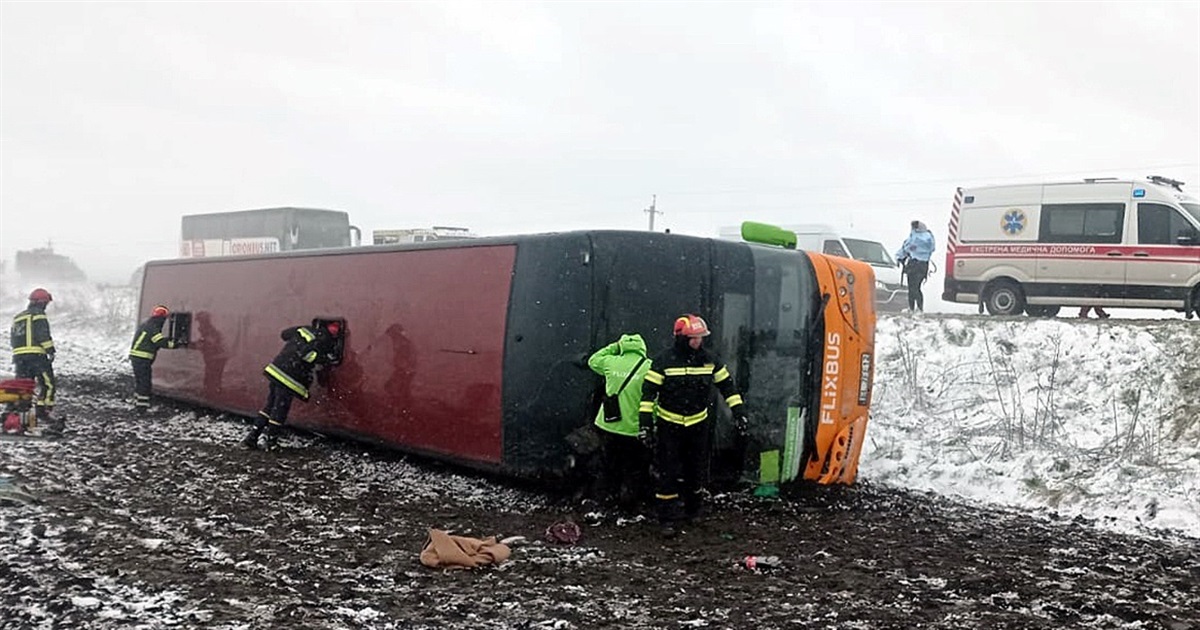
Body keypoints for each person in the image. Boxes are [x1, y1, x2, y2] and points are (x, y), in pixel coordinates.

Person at [639, 314, 748, 538]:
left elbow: (727, 387)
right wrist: (646, 426)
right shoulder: (663, 361)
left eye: (701, 337)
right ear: (680, 338)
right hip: (670, 426)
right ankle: (667, 519)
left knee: (695, 470)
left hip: (698, 425)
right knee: (668, 473)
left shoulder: (710, 360)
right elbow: (648, 396)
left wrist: (739, 413)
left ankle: (693, 512)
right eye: (693, 338)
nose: (698, 342)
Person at [241, 321, 341, 450]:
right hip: (289, 377)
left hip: (276, 370)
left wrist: (299, 335)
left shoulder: (305, 329)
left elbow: (285, 334)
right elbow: (307, 354)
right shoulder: (324, 339)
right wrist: (324, 359)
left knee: (270, 405)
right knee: (280, 409)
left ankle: (252, 437)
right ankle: (271, 442)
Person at [586, 333, 652, 511]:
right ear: (643, 348)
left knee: (608, 465)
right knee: (634, 469)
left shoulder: (610, 362)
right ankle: (629, 504)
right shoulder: (649, 367)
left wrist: (615, 347)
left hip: (609, 425)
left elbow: (593, 360)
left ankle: (604, 501)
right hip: (634, 428)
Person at [10, 288, 59, 432]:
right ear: (41, 303)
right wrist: (50, 350)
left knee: (24, 387)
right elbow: (42, 334)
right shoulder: (39, 315)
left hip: (19, 358)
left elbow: (13, 338)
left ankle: (21, 418)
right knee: (48, 384)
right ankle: (43, 411)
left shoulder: (18, 317)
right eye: (45, 303)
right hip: (36, 356)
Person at [128, 305, 182, 414]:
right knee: (145, 383)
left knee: (139, 382)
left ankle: (138, 404)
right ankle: (142, 408)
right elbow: (159, 342)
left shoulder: (146, 325)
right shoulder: (153, 327)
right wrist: (175, 344)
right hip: (143, 359)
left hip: (136, 358)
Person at [895, 220, 937, 313]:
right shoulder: (921, 237)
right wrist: (900, 256)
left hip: (917, 264)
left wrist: (900, 257)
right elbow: (906, 248)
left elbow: (907, 248)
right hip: (917, 264)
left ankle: (917, 308)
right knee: (912, 287)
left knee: (914, 287)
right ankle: (913, 308)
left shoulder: (924, 237)